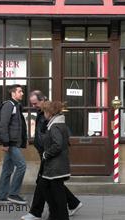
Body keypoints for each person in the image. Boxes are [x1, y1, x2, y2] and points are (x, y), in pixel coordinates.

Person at [21, 91, 82, 220]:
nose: (34, 106)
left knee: (49, 185)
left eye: (36, 103)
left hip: (52, 159)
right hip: (51, 158)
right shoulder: (52, 120)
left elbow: (57, 143)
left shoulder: (54, 124)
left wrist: (46, 153)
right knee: (51, 186)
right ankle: (69, 205)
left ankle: (41, 213)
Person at [0, 84, 28, 205]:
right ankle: (13, 194)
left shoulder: (16, 105)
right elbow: (3, 125)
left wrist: (23, 139)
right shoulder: (9, 105)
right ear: (13, 93)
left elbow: (18, 126)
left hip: (13, 142)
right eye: (20, 91)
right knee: (21, 166)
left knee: (7, 169)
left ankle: (1, 196)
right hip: (10, 143)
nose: (22, 93)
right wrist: (5, 142)